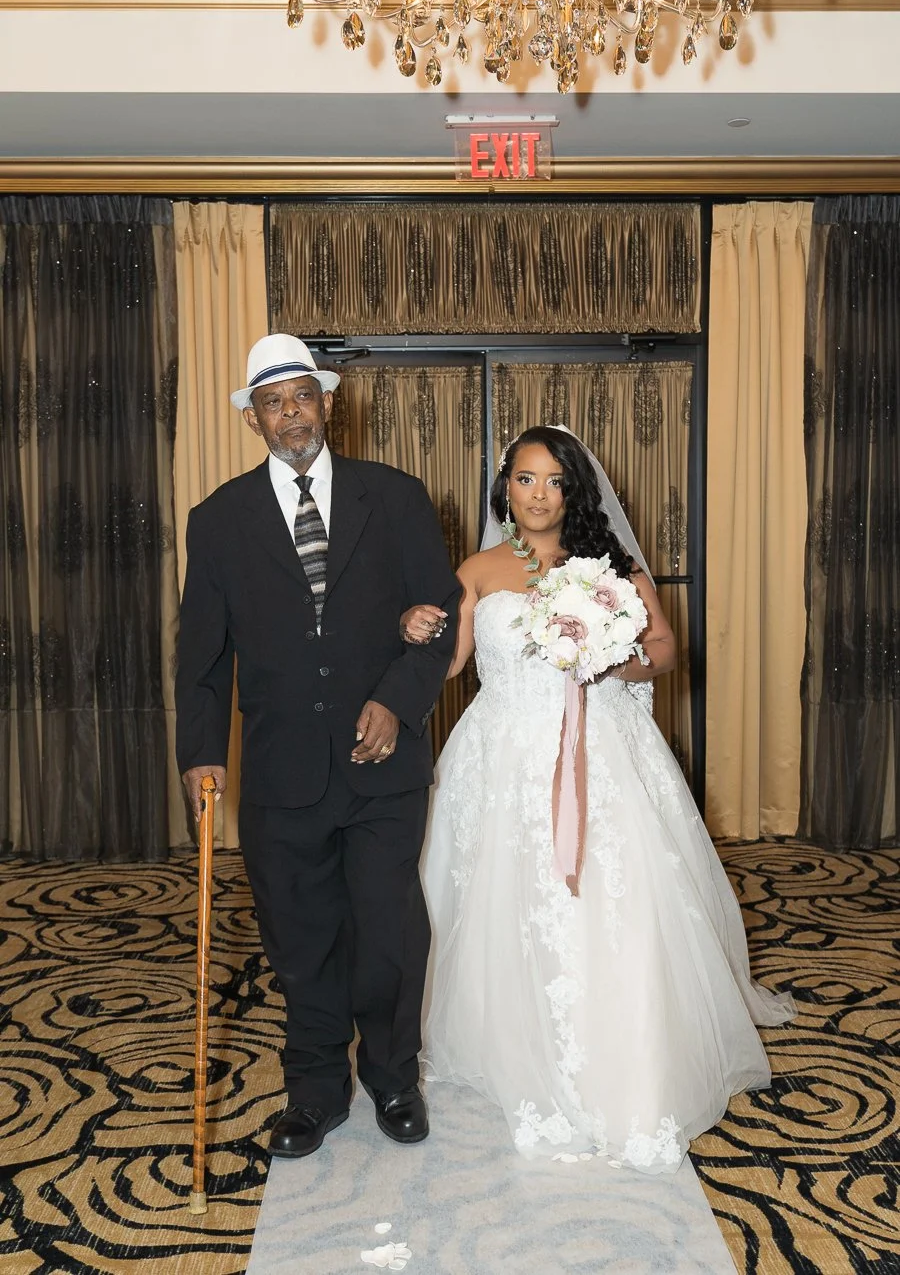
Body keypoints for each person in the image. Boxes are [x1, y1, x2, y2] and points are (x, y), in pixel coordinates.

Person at [403, 425, 794, 1173]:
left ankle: (624, 1039)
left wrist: (611, 660)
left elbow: (665, 650)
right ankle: (505, 1035)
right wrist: (416, 628)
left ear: (574, 491)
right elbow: (450, 666)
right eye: (525, 479)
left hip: (600, 746)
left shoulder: (612, 566)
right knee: (495, 898)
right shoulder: (477, 570)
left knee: (614, 893)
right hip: (500, 755)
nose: (539, 495)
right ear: (505, 488)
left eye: (555, 481)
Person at [175, 333, 460, 1160]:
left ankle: (394, 1079)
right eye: (273, 402)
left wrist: (397, 703)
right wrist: (201, 753)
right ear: (254, 419)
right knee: (300, 938)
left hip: (383, 769)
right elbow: (201, 655)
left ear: (328, 403)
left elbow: (439, 618)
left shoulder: (396, 497)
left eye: (303, 396)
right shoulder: (217, 520)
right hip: (280, 771)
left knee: (388, 934)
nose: (291, 413)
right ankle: (314, 1090)